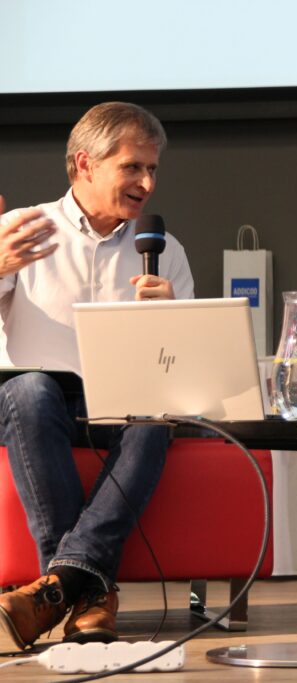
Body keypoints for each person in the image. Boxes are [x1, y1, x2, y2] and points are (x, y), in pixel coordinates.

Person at [0, 102, 194, 651]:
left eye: (152, 169)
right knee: (29, 389)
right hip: (37, 405)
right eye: (132, 167)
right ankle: (90, 592)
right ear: (85, 164)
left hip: (124, 404)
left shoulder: (164, 250)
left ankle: (57, 589)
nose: (147, 183)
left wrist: (173, 317)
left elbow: (186, 366)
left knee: (156, 414)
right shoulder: (21, 230)